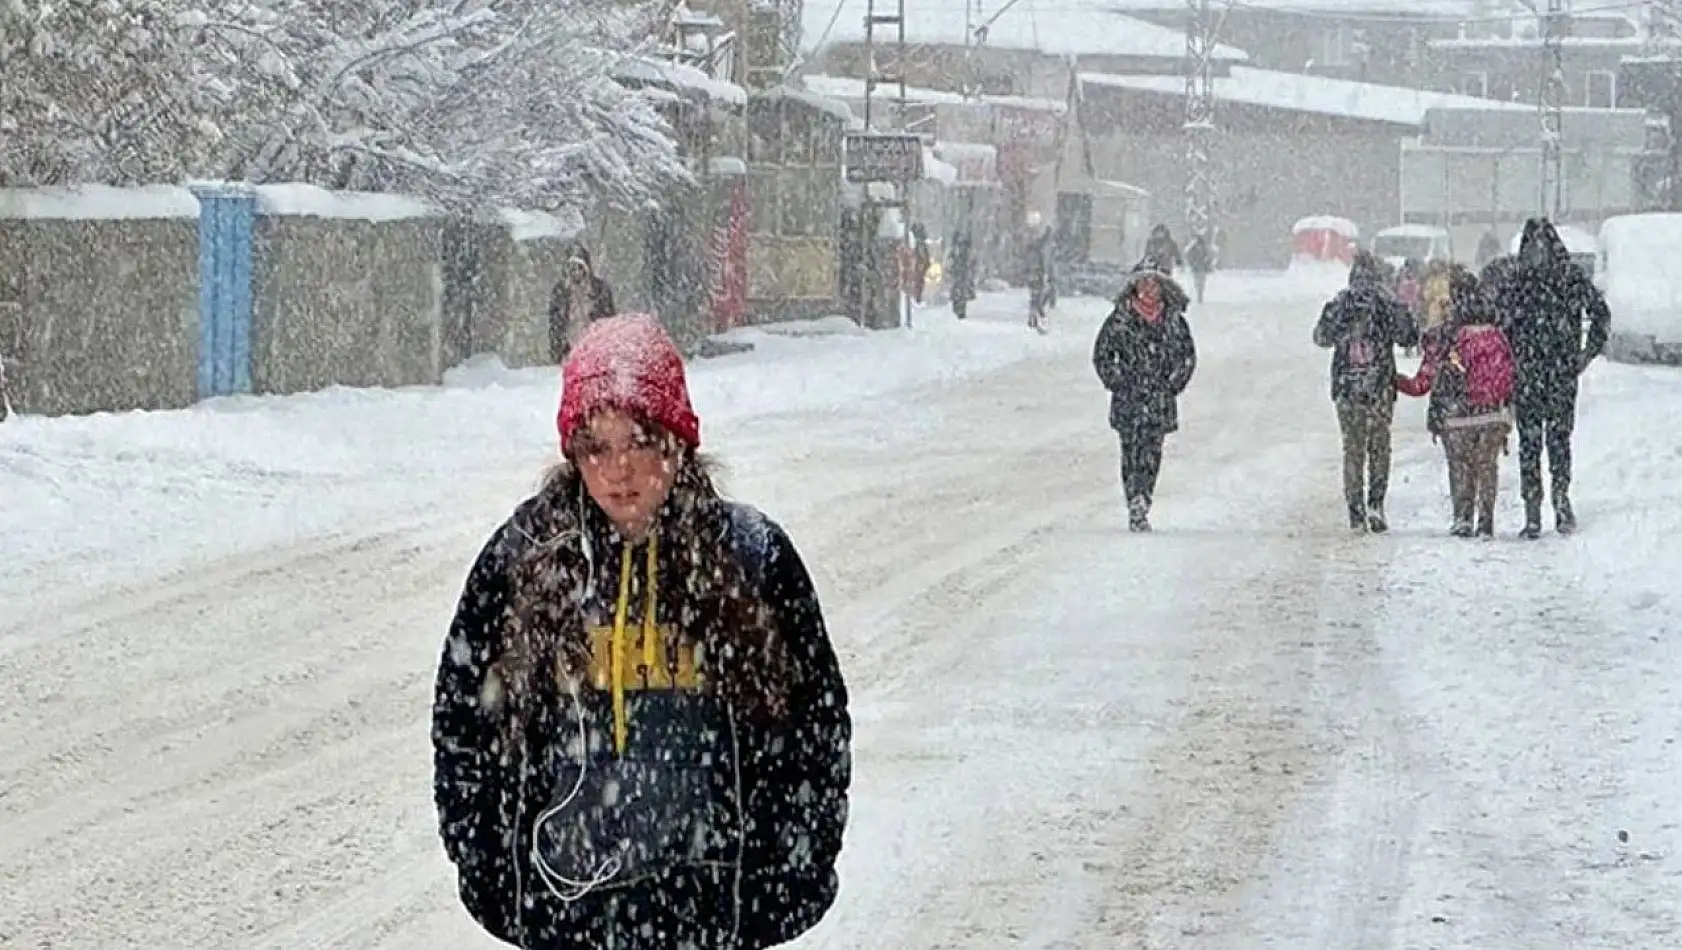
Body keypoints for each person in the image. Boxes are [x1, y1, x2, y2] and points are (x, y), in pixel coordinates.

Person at [432, 315, 852, 950]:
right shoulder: (524, 560)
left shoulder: (750, 558)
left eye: (640, 440)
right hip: (569, 914)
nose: (618, 469)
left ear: (678, 441)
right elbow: (463, 722)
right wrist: (491, 870)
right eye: (595, 447)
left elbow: (814, 727)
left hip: (710, 914)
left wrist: (792, 865)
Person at [1488, 217, 1611, 538]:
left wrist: (1585, 355)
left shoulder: (1553, 278)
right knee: (1533, 443)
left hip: (1551, 373)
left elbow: (1600, 315)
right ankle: (1535, 508)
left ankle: (1558, 500)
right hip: (1536, 374)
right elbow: (1499, 326)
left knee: (1555, 441)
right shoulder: (1534, 280)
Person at [1396, 267, 1516, 537]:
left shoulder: (1442, 335)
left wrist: (1396, 381)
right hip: (1492, 411)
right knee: (1487, 466)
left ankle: (1463, 517)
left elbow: (1423, 382)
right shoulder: (1496, 330)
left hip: (1456, 413)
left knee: (1460, 465)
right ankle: (1485, 520)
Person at [1313, 250, 1420, 533]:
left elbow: (1321, 337)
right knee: (1379, 447)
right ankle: (1376, 503)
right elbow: (1409, 335)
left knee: (1353, 449)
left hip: (1347, 387)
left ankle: (1356, 512)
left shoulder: (1340, 302)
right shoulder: (1386, 302)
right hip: (1379, 385)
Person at [1091, 269, 1198, 532]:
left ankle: (1144, 496)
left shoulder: (1174, 321)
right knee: (1130, 452)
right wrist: (1117, 381)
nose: (1149, 291)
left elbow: (1187, 357)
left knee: (1152, 452)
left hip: (1159, 399)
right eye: (1143, 286)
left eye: (1154, 286)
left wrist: (1173, 383)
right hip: (1128, 399)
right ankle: (1134, 500)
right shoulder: (1120, 320)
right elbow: (1102, 355)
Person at [548, 242, 617, 364]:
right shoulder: (561, 292)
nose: (576, 272)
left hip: (595, 347)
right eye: (572, 268)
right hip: (570, 349)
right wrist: (558, 349)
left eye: (579, 267)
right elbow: (555, 323)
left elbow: (609, 321)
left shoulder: (600, 290)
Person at [1024, 213, 1055, 332]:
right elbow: (1040, 244)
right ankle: (1035, 317)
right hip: (1035, 273)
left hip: (1035, 273)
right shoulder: (1034, 250)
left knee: (1036, 296)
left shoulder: (1032, 250)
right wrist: (1047, 234)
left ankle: (1035, 317)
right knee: (1037, 296)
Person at [946, 230, 976, 320]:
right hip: (960, 274)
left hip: (960, 274)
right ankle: (960, 310)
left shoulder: (956, 250)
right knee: (960, 293)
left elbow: (950, 262)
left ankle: (959, 310)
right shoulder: (960, 250)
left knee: (959, 293)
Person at [1184, 233, 1214, 304]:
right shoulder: (1192, 248)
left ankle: (1200, 295)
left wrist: (1208, 263)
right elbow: (1188, 255)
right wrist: (1191, 262)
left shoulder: (1203, 247)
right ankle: (1199, 295)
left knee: (1201, 282)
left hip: (1201, 267)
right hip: (1196, 268)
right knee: (1198, 282)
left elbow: (1209, 256)